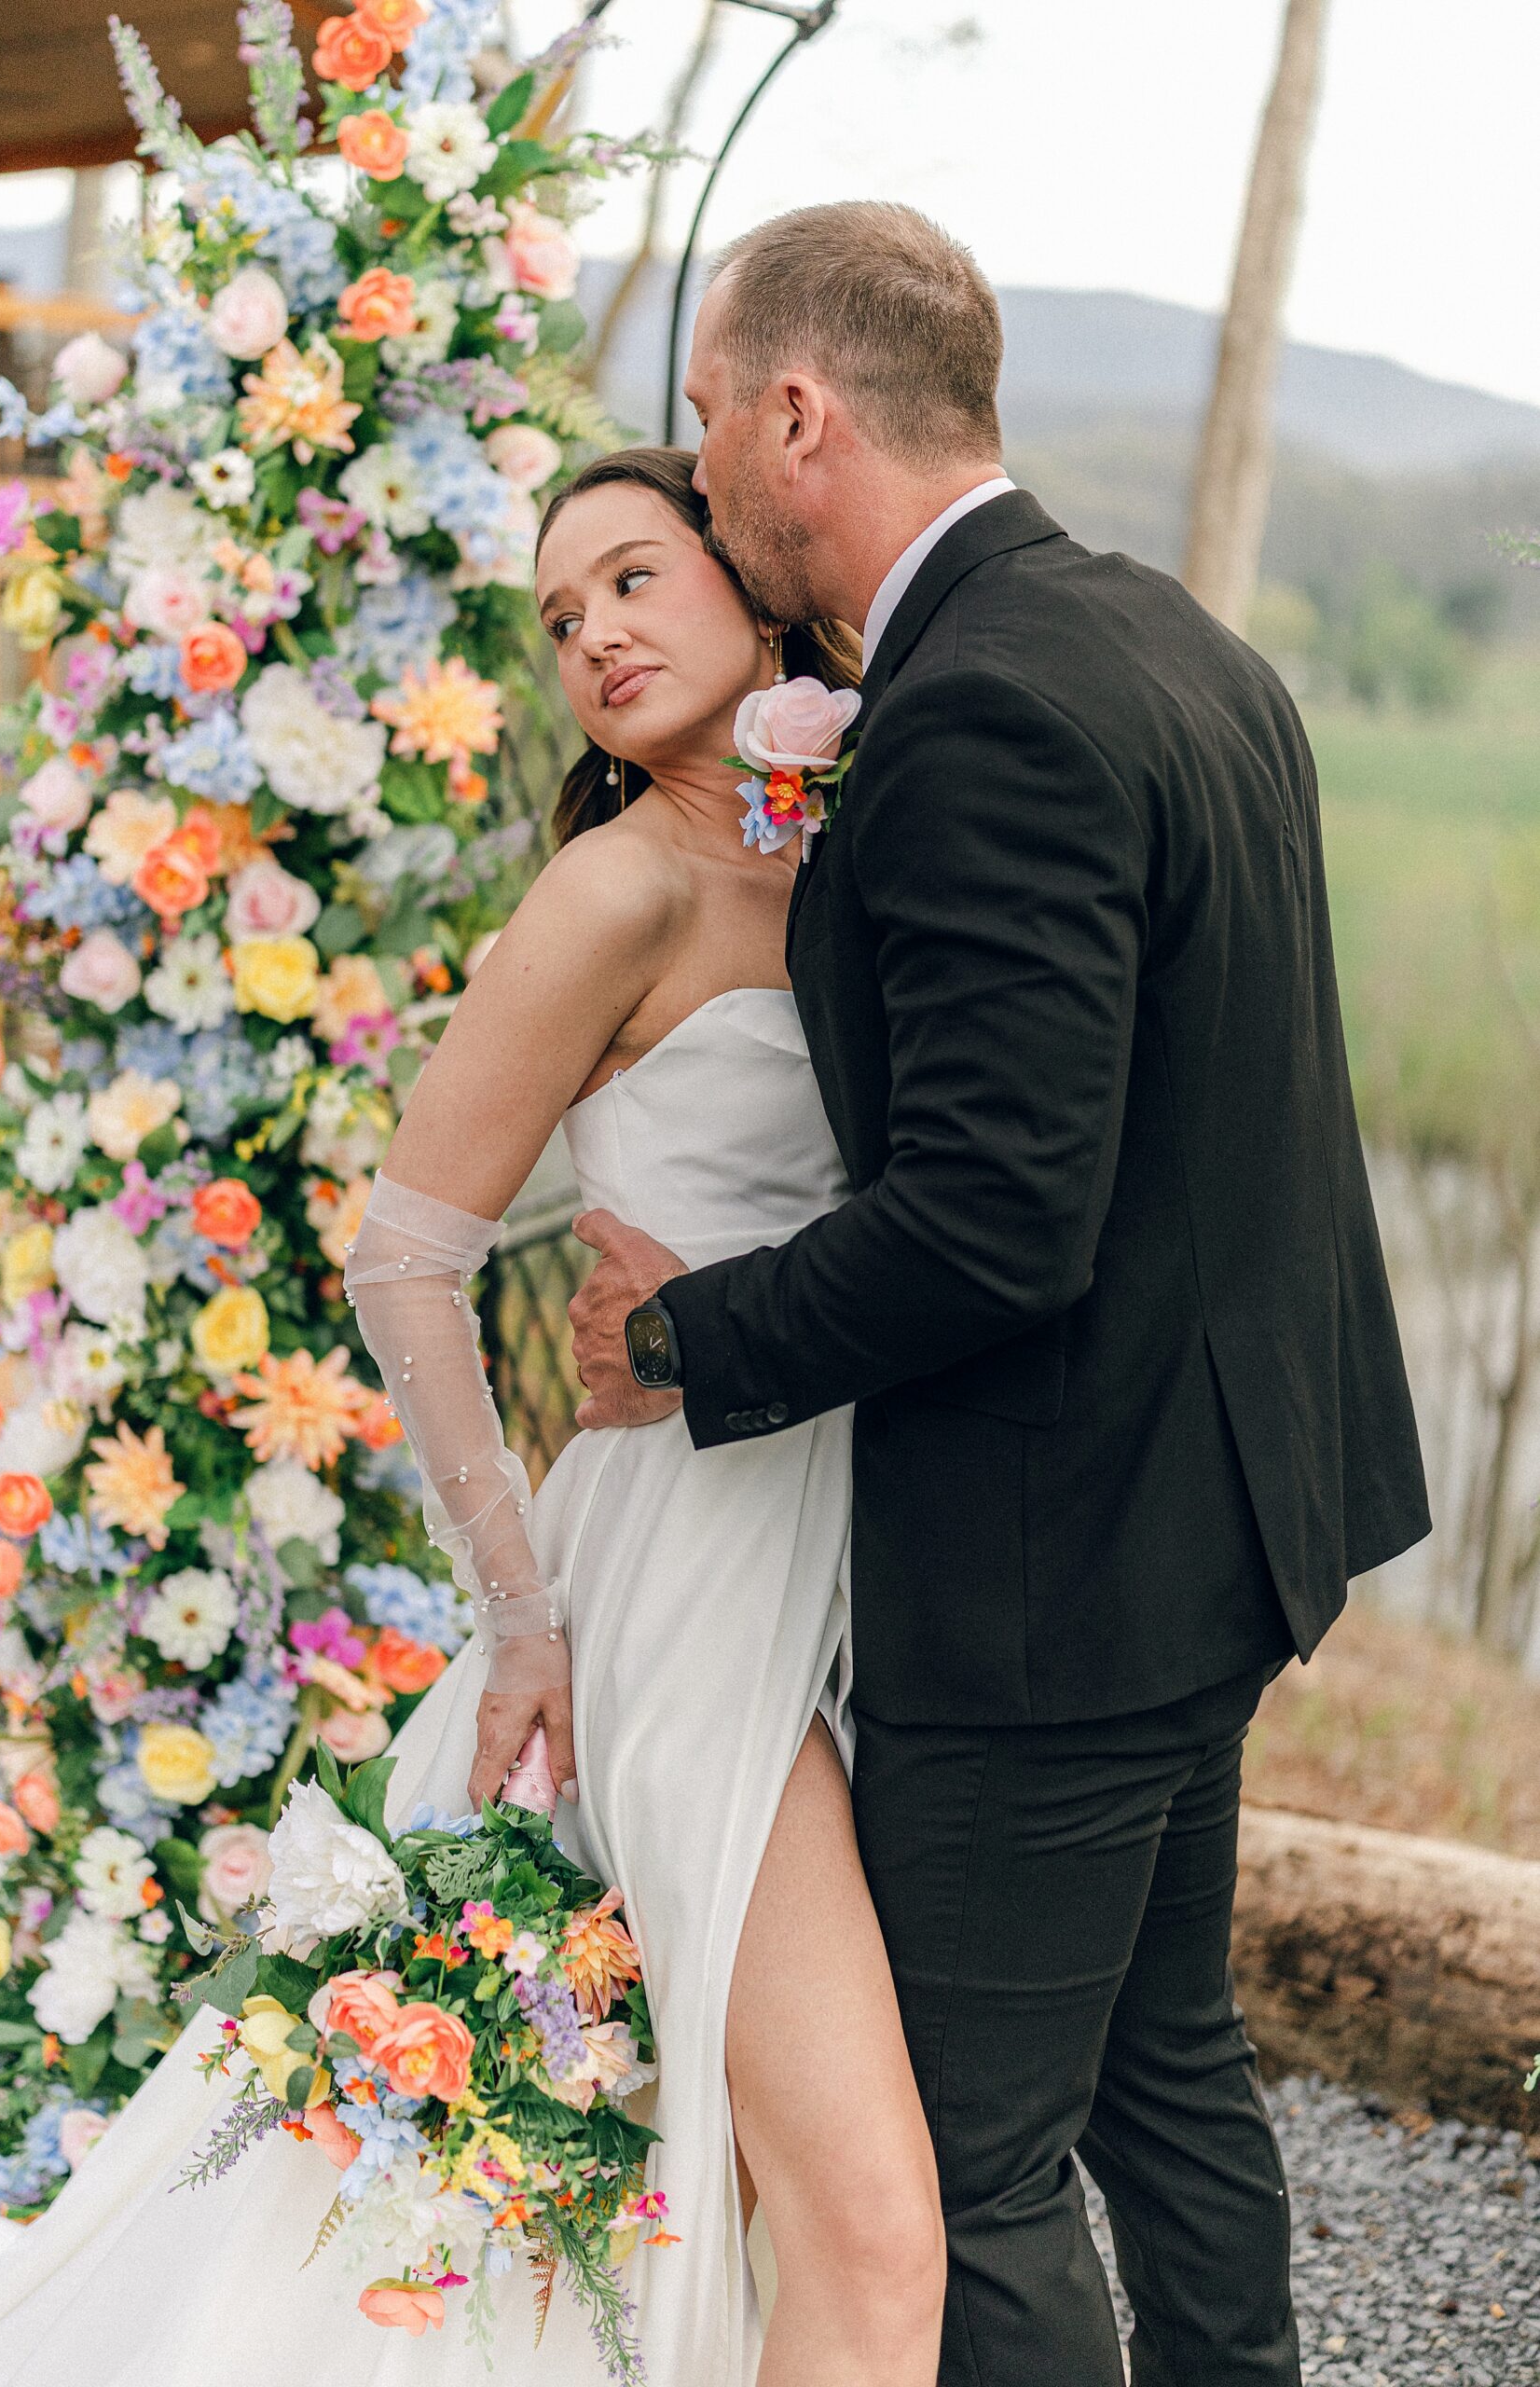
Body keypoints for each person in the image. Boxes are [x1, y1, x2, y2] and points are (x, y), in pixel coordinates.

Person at [0, 446, 946, 2387]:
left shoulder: (862, 848)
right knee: (864, 2222)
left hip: (866, 1541)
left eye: (634, 579)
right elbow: (404, 1257)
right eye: (560, 617)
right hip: (690, 1580)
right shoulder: (616, 886)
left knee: (747, 2198)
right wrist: (520, 1612)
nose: (594, 636)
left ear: (756, 591)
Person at [566, 202, 1433, 2387]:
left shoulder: (975, 718)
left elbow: (991, 1217)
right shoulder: (1170, 639)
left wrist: (680, 1337)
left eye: (707, 419)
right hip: (1220, 1523)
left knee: (959, 2179)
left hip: (1052, 1570)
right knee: (1164, 2070)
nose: (700, 472)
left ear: (799, 415)